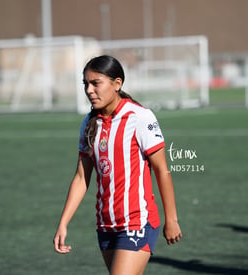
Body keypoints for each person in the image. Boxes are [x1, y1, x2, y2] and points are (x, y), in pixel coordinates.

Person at [53, 55, 182, 274]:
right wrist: (63, 222)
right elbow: (82, 177)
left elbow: (162, 170)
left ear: (117, 83)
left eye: (96, 83)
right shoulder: (88, 123)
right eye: (86, 84)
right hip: (105, 225)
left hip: (137, 222)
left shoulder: (140, 117)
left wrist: (171, 219)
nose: (89, 90)